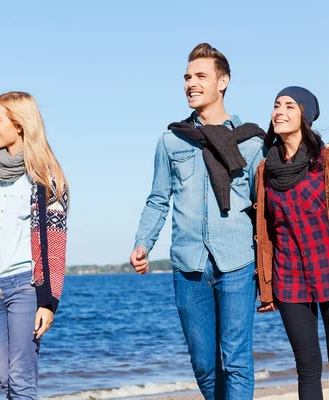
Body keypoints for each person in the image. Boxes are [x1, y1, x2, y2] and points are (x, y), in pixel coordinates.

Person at [129, 43, 265, 399]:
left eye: (200, 76)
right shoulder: (171, 140)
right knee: (204, 366)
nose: (191, 83)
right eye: (187, 77)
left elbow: (262, 208)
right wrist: (143, 242)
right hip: (188, 265)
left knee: (237, 362)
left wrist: (269, 271)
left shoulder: (250, 142)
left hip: (238, 262)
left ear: (223, 82)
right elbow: (159, 199)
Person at [255, 86, 329, 399]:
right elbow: (265, 234)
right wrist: (266, 288)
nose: (279, 111)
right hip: (290, 278)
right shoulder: (265, 170)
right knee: (307, 367)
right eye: (276, 105)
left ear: (304, 115)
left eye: (289, 106)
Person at [0, 91, 68, 399]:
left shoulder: (46, 175)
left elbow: (56, 244)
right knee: (7, 380)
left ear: (19, 124)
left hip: (24, 289)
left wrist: (49, 301)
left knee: (21, 380)